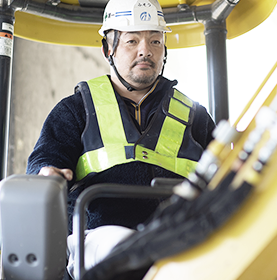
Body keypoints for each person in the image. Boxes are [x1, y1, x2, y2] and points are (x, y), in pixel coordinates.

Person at [26, 0, 216, 235]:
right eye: (132, 41)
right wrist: (46, 171)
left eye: (155, 41)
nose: (145, 50)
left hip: (178, 238)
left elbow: (225, 174)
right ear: (108, 49)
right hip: (100, 243)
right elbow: (45, 159)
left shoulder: (195, 116)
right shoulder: (75, 110)